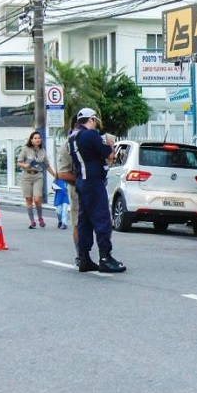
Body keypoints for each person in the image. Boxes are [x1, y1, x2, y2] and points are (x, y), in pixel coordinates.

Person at [69, 108, 125, 273]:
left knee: (84, 221)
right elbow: (109, 155)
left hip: (81, 180)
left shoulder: (72, 137)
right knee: (102, 219)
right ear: (91, 119)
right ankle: (105, 257)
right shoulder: (90, 135)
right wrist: (110, 143)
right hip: (93, 181)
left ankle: (84, 257)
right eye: (95, 120)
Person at [17, 130, 57, 229]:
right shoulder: (25, 149)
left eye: (39, 138)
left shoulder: (42, 151)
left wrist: (56, 175)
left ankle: (40, 218)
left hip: (37, 176)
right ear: (31, 140)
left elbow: (47, 166)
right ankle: (32, 221)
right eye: (35, 138)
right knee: (28, 199)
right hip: (26, 176)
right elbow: (19, 162)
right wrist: (25, 165)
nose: (38, 140)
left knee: (37, 198)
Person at [57, 114, 81, 266]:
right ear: (74, 127)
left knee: (102, 223)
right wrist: (83, 179)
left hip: (97, 190)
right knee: (79, 223)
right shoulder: (68, 145)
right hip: (78, 189)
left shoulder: (95, 141)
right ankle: (81, 255)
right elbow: (63, 173)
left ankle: (105, 255)